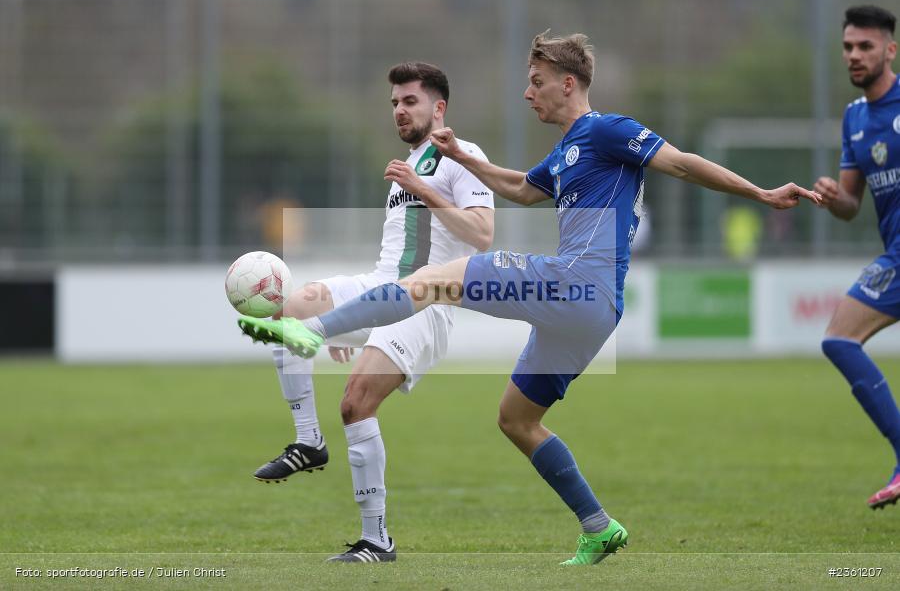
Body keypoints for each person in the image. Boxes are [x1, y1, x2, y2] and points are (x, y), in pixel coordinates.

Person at [240, 31, 819, 565]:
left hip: (576, 283)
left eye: (536, 81)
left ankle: (314, 332)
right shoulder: (568, 150)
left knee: (438, 278)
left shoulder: (608, 129)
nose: (527, 93)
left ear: (568, 83)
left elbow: (682, 163)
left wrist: (760, 193)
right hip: (590, 316)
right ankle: (598, 526)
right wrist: (467, 159)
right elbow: (521, 189)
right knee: (517, 420)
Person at [252, 62, 494, 562]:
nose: (400, 111)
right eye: (394, 103)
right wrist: (348, 319)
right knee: (290, 310)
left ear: (438, 107)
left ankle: (376, 539)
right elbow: (394, 258)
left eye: (410, 101)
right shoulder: (407, 166)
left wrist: (421, 186)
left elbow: (482, 235)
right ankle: (308, 442)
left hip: (426, 302)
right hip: (380, 287)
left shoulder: (460, 155)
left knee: (355, 403)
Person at [815, 5, 900, 510]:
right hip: (893, 254)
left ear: (890, 49)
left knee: (839, 339)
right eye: (848, 46)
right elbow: (852, 205)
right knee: (838, 340)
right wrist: (833, 198)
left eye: (865, 46)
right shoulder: (854, 117)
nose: (854, 55)